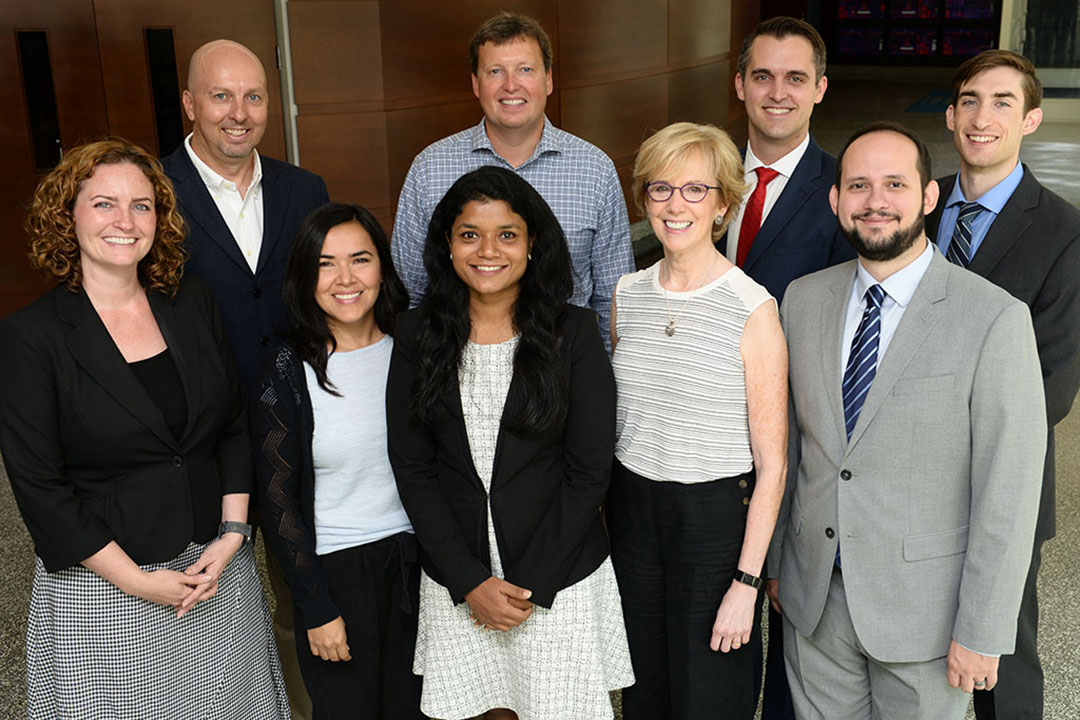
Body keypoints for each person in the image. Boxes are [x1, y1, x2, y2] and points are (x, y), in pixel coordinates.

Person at [0, 138, 287, 719]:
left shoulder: (190, 303)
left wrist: (233, 534)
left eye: (142, 205)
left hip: (215, 574)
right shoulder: (32, 337)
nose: (125, 222)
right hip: (107, 590)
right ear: (68, 215)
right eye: (104, 204)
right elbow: (40, 487)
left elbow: (231, 424)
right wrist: (138, 581)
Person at [771, 122, 1046, 720]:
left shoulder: (994, 319)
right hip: (816, 602)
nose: (875, 202)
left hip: (928, 615)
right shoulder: (803, 299)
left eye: (895, 184)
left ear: (928, 197)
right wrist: (779, 568)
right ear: (835, 200)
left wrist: (983, 627)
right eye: (859, 185)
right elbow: (793, 449)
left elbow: (1010, 491)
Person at [386, 166, 634, 719]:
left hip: (556, 572)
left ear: (532, 243)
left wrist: (527, 585)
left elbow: (589, 470)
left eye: (507, 234)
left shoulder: (571, 332)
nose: (487, 250)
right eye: (469, 234)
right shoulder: (415, 334)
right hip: (460, 571)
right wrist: (470, 581)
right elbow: (413, 468)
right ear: (447, 246)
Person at [161, 39, 329, 717]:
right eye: (221, 96)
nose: (239, 112)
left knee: (305, 598)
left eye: (253, 96)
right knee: (205, 605)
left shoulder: (304, 189)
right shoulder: (150, 195)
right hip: (199, 442)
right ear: (189, 105)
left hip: (296, 433)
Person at [607, 121, 788, 720]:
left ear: (723, 205)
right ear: (644, 201)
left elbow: (773, 465)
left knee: (710, 696)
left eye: (695, 190)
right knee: (644, 688)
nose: (675, 205)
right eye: (660, 189)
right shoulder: (625, 295)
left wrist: (745, 582)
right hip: (633, 514)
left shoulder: (753, 308)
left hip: (715, 525)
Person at [925, 49, 1080, 720]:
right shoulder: (915, 207)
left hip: (999, 485)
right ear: (952, 114)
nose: (981, 117)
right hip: (898, 485)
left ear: (1032, 120)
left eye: (1002, 102)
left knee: (1000, 653)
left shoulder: (1063, 232)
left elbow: (1050, 388)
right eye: (969, 100)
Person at [251, 204, 422, 720]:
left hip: (418, 568)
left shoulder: (415, 352)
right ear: (305, 277)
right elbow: (278, 503)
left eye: (360, 260)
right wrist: (316, 607)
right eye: (326, 264)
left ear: (382, 269)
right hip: (336, 572)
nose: (345, 278)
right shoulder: (285, 371)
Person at [391, 11, 634, 350]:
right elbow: (412, 294)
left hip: (564, 367)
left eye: (525, 69)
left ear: (548, 79)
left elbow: (613, 300)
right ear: (476, 84)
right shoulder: (429, 169)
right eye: (495, 71)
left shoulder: (594, 170)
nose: (511, 85)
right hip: (456, 366)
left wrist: (604, 388)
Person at [727, 16, 853, 303]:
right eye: (763, 77)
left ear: (819, 89)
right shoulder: (708, 177)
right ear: (741, 85)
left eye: (795, 78)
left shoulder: (844, 189)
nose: (778, 94)